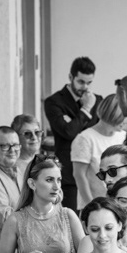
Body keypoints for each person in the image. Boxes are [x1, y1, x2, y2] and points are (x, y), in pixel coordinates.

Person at [43, 55, 100, 210]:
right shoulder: (54, 102)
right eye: (81, 82)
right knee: (71, 220)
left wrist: (75, 121)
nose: (85, 87)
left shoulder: (97, 101)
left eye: (89, 83)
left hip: (94, 175)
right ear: (70, 77)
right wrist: (86, 109)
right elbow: (68, 132)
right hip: (69, 176)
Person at [70, 92, 127, 209]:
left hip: (120, 206)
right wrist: (91, 205)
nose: (125, 121)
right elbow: (79, 175)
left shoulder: (123, 136)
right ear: (113, 115)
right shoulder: (85, 139)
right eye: (122, 117)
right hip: (95, 206)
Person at [10, 113, 43, 179]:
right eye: (27, 134)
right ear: (16, 137)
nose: (34, 137)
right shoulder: (11, 169)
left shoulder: (44, 163)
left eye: (37, 132)